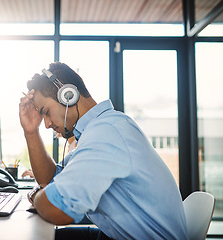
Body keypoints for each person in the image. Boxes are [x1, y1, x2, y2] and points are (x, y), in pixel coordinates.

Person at [19, 62, 188, 240]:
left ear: (68, 96)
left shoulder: (106, 132)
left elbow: (58, 209)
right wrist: (31, 132)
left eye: (46, 112)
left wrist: (37, 195)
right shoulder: (98, 129)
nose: (46, 124)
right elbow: (50, 177)